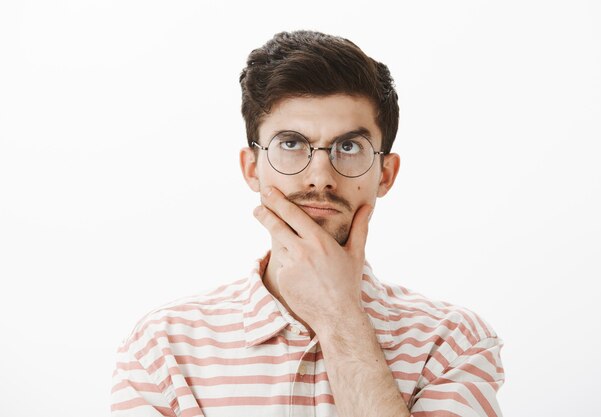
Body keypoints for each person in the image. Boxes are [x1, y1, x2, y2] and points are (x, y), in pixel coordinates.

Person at [111, 30, 505, 417]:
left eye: (348, 147)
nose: (320, 176)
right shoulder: (162, 348)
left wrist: (339, 316)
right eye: (291, 143)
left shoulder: (453, 343)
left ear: (385, 174)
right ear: (252, 169)